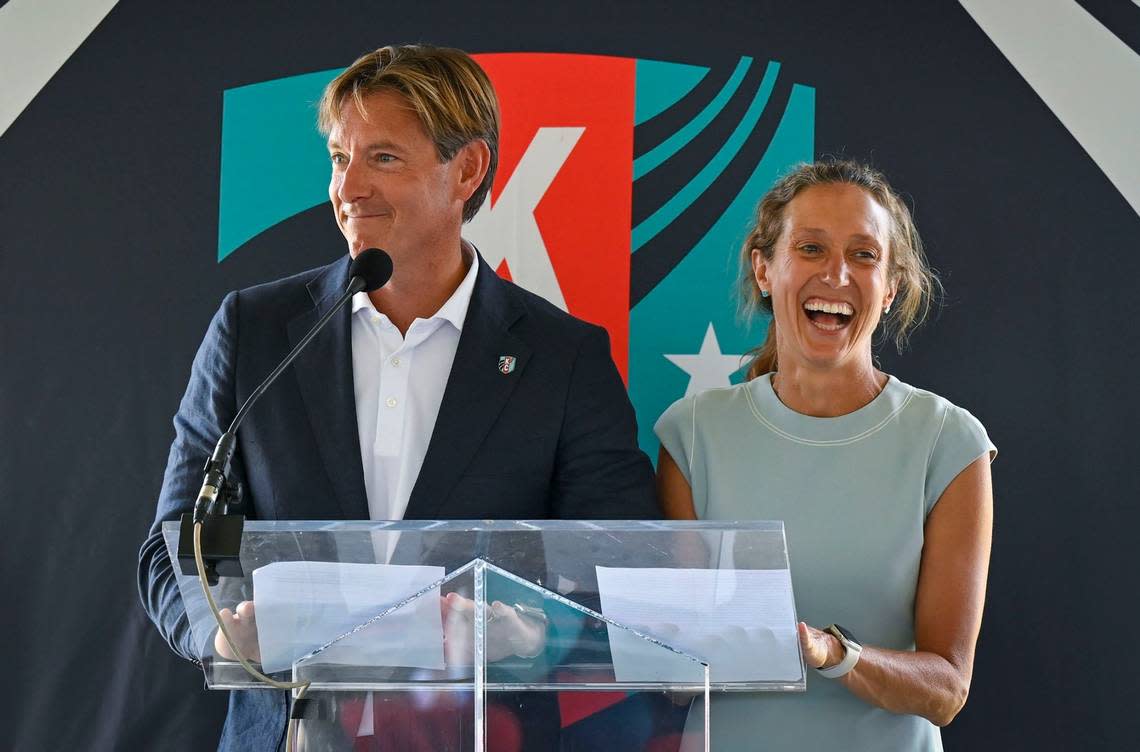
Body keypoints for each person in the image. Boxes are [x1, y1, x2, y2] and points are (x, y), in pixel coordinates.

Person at [138, 44, 656, 751]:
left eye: (382, 158)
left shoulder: (563, 357)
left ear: (467, 170)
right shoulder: (254, 331)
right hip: (287, 730)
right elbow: (173, 547)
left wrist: (531, 629)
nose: (348, 187)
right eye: (338, 158)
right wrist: (224, 632)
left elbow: (615, 555)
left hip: (482, 732)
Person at [655, 160, 995, 751]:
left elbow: (946, 689)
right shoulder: (691, 434)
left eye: (864, 255)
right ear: (764, 269)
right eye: (810, 248)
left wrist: (833, 654)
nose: (836, 274)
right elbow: (677, 676)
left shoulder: (950, 442)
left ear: (890, 287)